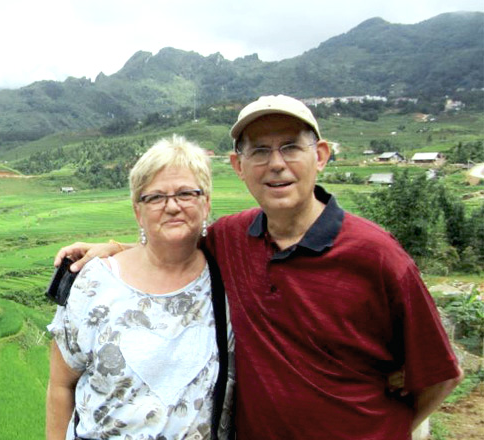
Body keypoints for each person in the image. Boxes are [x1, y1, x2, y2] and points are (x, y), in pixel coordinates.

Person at [55, 95, 462, 439]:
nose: (276, 164)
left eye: (290, 147)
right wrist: (113, 248)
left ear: (320, 156)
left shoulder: (376, 255)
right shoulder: (234, 239)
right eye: (261, 151)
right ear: (239, 166)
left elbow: (440, 374)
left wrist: (386, 429)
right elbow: (171, 242)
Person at [46, 135, 234, 440]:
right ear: (138, 211)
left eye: (186, 193)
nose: (172, 206)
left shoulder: (230, 278)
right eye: (156, 197)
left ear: (207, 202)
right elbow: (60, 385)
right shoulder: (93, 283)